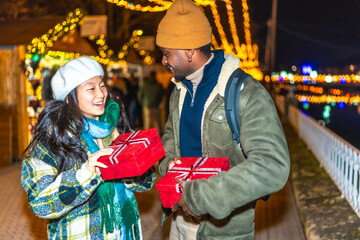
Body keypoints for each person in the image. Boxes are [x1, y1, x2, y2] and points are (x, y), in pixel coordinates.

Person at [156, 0, 290, 239]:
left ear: (188, 51)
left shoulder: (246, 92)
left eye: (166, 53)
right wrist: (168, 164)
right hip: (178, 221)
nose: (163, 61)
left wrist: (200, 196)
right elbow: (169, 135)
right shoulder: (179, 90)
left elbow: (272, 165)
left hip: (222, 230)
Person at [21, 57, 155, 240]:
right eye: (91, 88)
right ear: (69, 97)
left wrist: (135, 165)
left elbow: (146, 182)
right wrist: (87, 173)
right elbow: (40, 202)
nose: (100, 94)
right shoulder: (53, 140)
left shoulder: (116, 128)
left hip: (121, 233)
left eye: (102, 86)